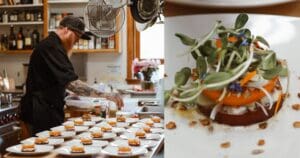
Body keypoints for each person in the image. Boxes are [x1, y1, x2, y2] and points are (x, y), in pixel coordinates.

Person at [20, 16, 123, 135]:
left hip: (48, 110)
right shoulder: (51, 47)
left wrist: (68, 94)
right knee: (43, 149)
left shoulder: (55, 46)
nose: (77, 41)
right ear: (66, 30)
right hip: (40, 112)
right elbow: (72, 83)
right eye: (77, 37)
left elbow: (51, 81)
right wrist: (106, 95)